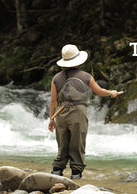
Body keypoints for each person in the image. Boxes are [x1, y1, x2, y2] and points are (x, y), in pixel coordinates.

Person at [48, 44, 122, 179]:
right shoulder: (86, 76)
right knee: (77, 143)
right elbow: (99, 92)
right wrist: (112, 93)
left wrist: (52, 119)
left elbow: (53, 101)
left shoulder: (56, 78)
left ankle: (57, 171)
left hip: (61, 113)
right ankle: (76, 173)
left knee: (62, 143)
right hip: (78, 112)